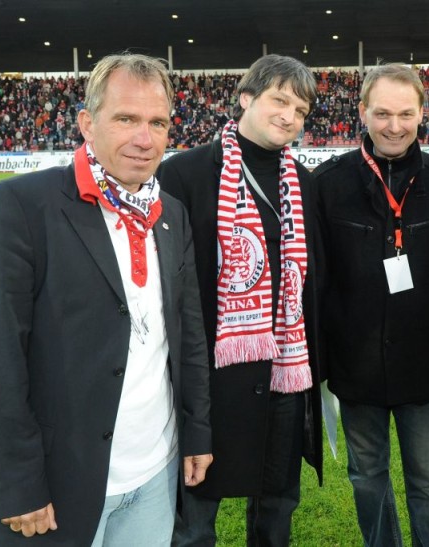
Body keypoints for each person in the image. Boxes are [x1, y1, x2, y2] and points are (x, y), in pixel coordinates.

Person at [0, 53, 213, 545]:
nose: (145, 138)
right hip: (59, 483)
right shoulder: (20, 206)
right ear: (87, 124)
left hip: (157, 472)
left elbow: (188, 335)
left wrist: (196, 431)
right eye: (126, 119)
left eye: (158, 123)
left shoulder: (170, 213)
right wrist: (15, 481)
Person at [157, 54, 323, 546]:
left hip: (283, 369)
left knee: (277, 503)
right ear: (246, 97)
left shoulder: (304, 183)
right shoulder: (183, 174)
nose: (289, 116)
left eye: (300, 110)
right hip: (209, 371)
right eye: (280, 100)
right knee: (195, 514)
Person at [314, 64, 429, 546]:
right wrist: (321, 364)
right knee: (367, 479)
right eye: (382, 113)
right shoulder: (328, 183)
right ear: (362, 111)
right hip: (355, 369)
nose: (394, 126)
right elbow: (317, 283)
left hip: (426, 368)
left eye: (406, 114)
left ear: (423, 112)